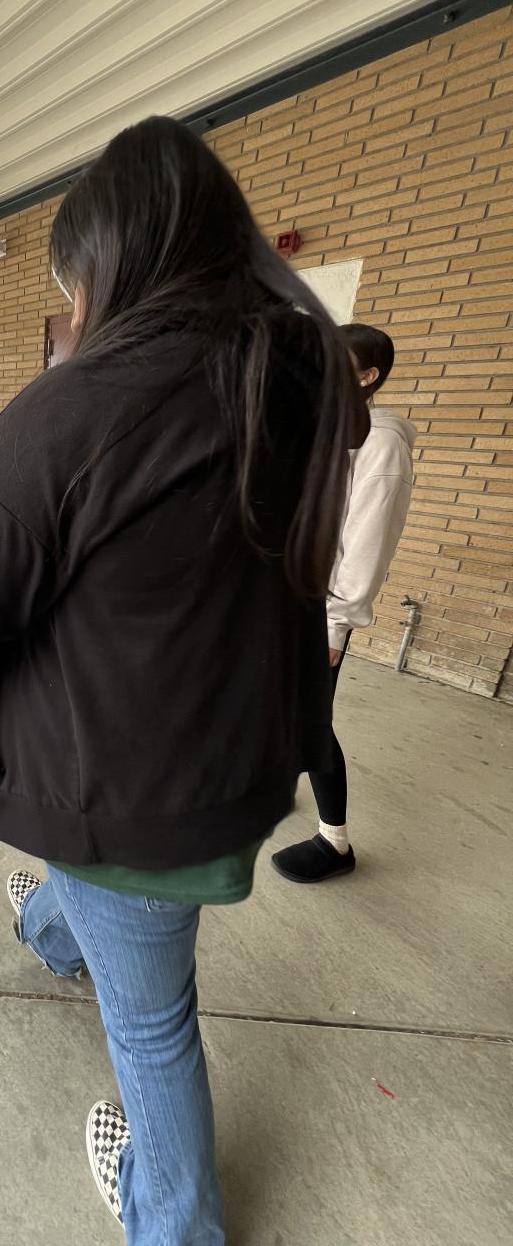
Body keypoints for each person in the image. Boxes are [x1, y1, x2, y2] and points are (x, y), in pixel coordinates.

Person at [0, 116, 365, 1245]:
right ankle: (54, 928)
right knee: (102, 902)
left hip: (134, 797)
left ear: (115, 267)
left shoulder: (75, 413)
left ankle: (177, 1222)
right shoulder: (289, 388)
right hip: (232, 770)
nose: (74, 308)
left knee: (154, 1023)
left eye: (75, 282)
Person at [272, 324, 416, 884]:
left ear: (366, 376)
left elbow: (367, 546)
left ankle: (335, 842)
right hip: (284, 598)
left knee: (311, 719)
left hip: (320, 610)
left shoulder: (381, 445)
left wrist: (336, 626)